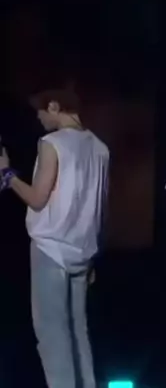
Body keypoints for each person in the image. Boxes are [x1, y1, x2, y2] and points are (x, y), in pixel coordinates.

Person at [0, 87, 109, 388]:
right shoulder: (100, 147)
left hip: (51, 249)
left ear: (54, 106)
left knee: (52, 335)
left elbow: (37, 199)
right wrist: (95, 254)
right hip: (83, 251)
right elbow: (101, 207)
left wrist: (7, 175)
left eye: (41, 112)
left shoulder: (52, 143)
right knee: (77, 331)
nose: (40, 119)